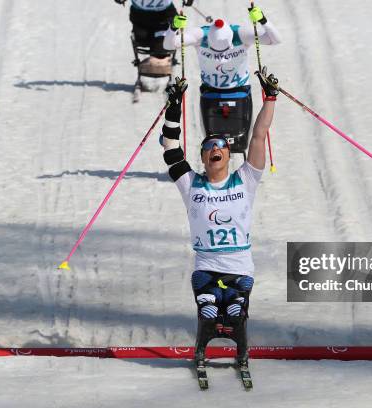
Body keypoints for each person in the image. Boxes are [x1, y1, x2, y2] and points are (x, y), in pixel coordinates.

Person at [160, 67, 279, 368]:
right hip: (206, 266)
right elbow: (170, 148)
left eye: (221, 147)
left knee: (236, 312)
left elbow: (259, 134)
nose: (215, 149)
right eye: (209, 147)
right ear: (202, 158)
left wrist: (270, 98)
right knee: (209, 308)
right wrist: (173, 107)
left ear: (229, 155)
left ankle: (240, 349)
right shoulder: (192, 184)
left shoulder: (245, 179)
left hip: (240, 265)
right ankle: (203, 346)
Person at [163, 7, 281, 151]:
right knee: (210, 140)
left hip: (239, 90)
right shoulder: (200, 35)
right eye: (216, 51)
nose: (222, 57)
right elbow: (168, 45)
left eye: (225, 50)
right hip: (210, 91)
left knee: (241, 141)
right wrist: (173, 28)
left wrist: (263, 20)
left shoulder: (241, 34)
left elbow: (275, 39)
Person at [113, 0, 194, 59]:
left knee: (162, 51)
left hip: (164, 17)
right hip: (141, 19)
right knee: (142, 40)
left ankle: (160, 58)